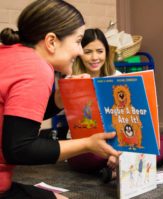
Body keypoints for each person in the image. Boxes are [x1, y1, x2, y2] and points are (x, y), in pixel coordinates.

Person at [0, 1, 120, 198]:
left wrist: (59, 99)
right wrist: (87, 144)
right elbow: (19, 148)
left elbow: (15, 120)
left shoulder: (12, 55)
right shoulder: (36, 68)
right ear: (52, 41)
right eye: (78, 41)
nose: (81, 51)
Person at [66, 28, 121, 182]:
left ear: (106, 52)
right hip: (84, 146)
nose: (95, 57)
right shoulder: (72, 79)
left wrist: (117, 150)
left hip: (116, 141)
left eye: (99, 51)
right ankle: (118, 164)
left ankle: (114, 167)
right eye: (88, 51)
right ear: (79, 53)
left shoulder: (117, 77)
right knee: (90, 158)